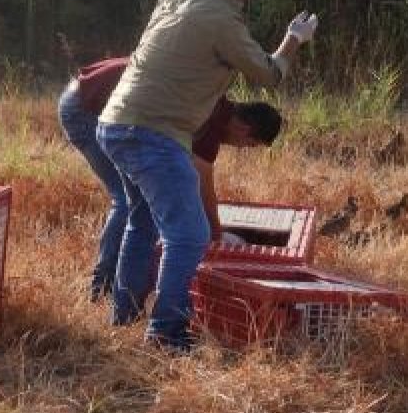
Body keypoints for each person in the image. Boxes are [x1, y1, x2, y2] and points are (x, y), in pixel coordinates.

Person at [96, 0, 320, 350]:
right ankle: (167, 333)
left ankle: (123, 316)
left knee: (142, 220)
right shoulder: (221, 22)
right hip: (153, 134)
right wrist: (294, 39)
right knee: (189, 235)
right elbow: (270, 74)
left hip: (115, 124)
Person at [59, 55, 283, 301]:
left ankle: (121, 284)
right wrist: (217, 238)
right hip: (87, 106)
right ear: (244, 129)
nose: (241, 148)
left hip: (94, 95)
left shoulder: (212, 103)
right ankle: (102, 286)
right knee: (126, 199)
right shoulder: (212, 120)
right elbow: (203, 185)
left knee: (139, 202)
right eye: (249, 145)